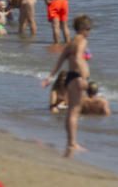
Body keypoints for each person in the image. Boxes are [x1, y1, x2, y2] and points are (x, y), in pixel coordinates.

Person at [41, 15, 93, 156]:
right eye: (88, 29)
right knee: (74, 112)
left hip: (70, 77)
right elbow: (77, 57)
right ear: (82, 28)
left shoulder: (70, 42)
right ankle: (72, 143)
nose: (89, 32)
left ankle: (70, 142)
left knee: (71, 112)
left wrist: (49, 78)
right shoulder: (82, 40)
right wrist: (82, 77)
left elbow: (60, 60)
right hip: (77, 77)